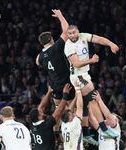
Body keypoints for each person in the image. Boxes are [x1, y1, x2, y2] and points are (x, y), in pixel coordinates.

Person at [64, 25, 119, 140]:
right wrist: (91, 60)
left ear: (78, 32)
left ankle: (98, 130)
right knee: (93, 99)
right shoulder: (68, 46)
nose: (72, 36)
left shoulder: (83, 36)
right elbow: (76, 64)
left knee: (91, 102)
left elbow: (98, 39)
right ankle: (102, 129)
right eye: (70, 34)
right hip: (78, 76)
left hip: (84, 75)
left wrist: (111, 44)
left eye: (74, 33)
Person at [36, 9, 75, 142]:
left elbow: (37, 61)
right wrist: (60, 16)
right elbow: (66, 31)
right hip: (66, 84)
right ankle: (72, 133)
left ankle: (56, 134)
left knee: (58, 110)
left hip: (54, 86)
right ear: (51, 39)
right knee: (71, 108)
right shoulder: (57, 47)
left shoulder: (41, 57)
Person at [29, 84, 71, 150]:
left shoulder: (32, 123)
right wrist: (65, 95)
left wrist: (49, 92)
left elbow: (41, 107)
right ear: (39, 118)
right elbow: (58, 111)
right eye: (41, 113)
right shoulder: (46, 125)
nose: (43, 112)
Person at [61, 82, 94, 150]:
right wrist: (78, 91)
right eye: (72, 114)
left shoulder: (64, 125)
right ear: (70, 119)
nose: (74, 114)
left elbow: (68, 111)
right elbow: (80, 107)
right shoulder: (74, 123)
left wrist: (76, 97)